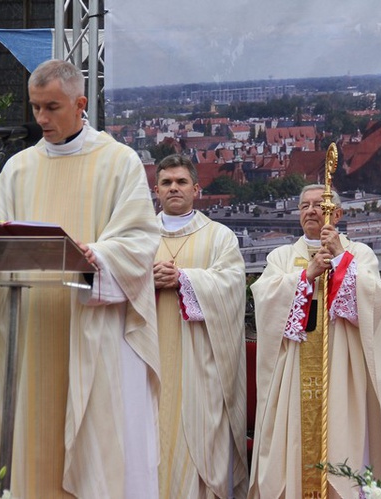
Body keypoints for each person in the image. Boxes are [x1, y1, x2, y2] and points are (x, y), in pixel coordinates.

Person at [0, 59, 160, 498]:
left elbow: (140, 239)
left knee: (92, 446)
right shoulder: (17, 168)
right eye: (35, 108)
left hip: (89, 332)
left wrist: (98, 255)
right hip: (26, 335)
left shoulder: (118, 162)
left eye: (52, 107)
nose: (42, 119)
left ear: (80, 103)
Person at [248, 184, 381, 498]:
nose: (312, 211)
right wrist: (306, 276)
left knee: (343, 432)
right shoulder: (282, 256)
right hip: (296, 368)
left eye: (320, 205)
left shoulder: (359, 253)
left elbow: (375, 299)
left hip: (344, 367)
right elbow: (264, 299)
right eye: (305, 206)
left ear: (337, 214)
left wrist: (341, 257)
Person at [152, 154, 247, 498]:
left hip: (202, 367)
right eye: (166, 182)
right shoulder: (138, 238)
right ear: (156, 190)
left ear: (196, 188)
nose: (173, 188)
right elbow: (116, 283)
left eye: (180, 182)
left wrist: (184, 279)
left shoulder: (220, 237)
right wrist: (146, 281)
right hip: (151, 365)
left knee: (201, 452)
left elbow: (234, 287)